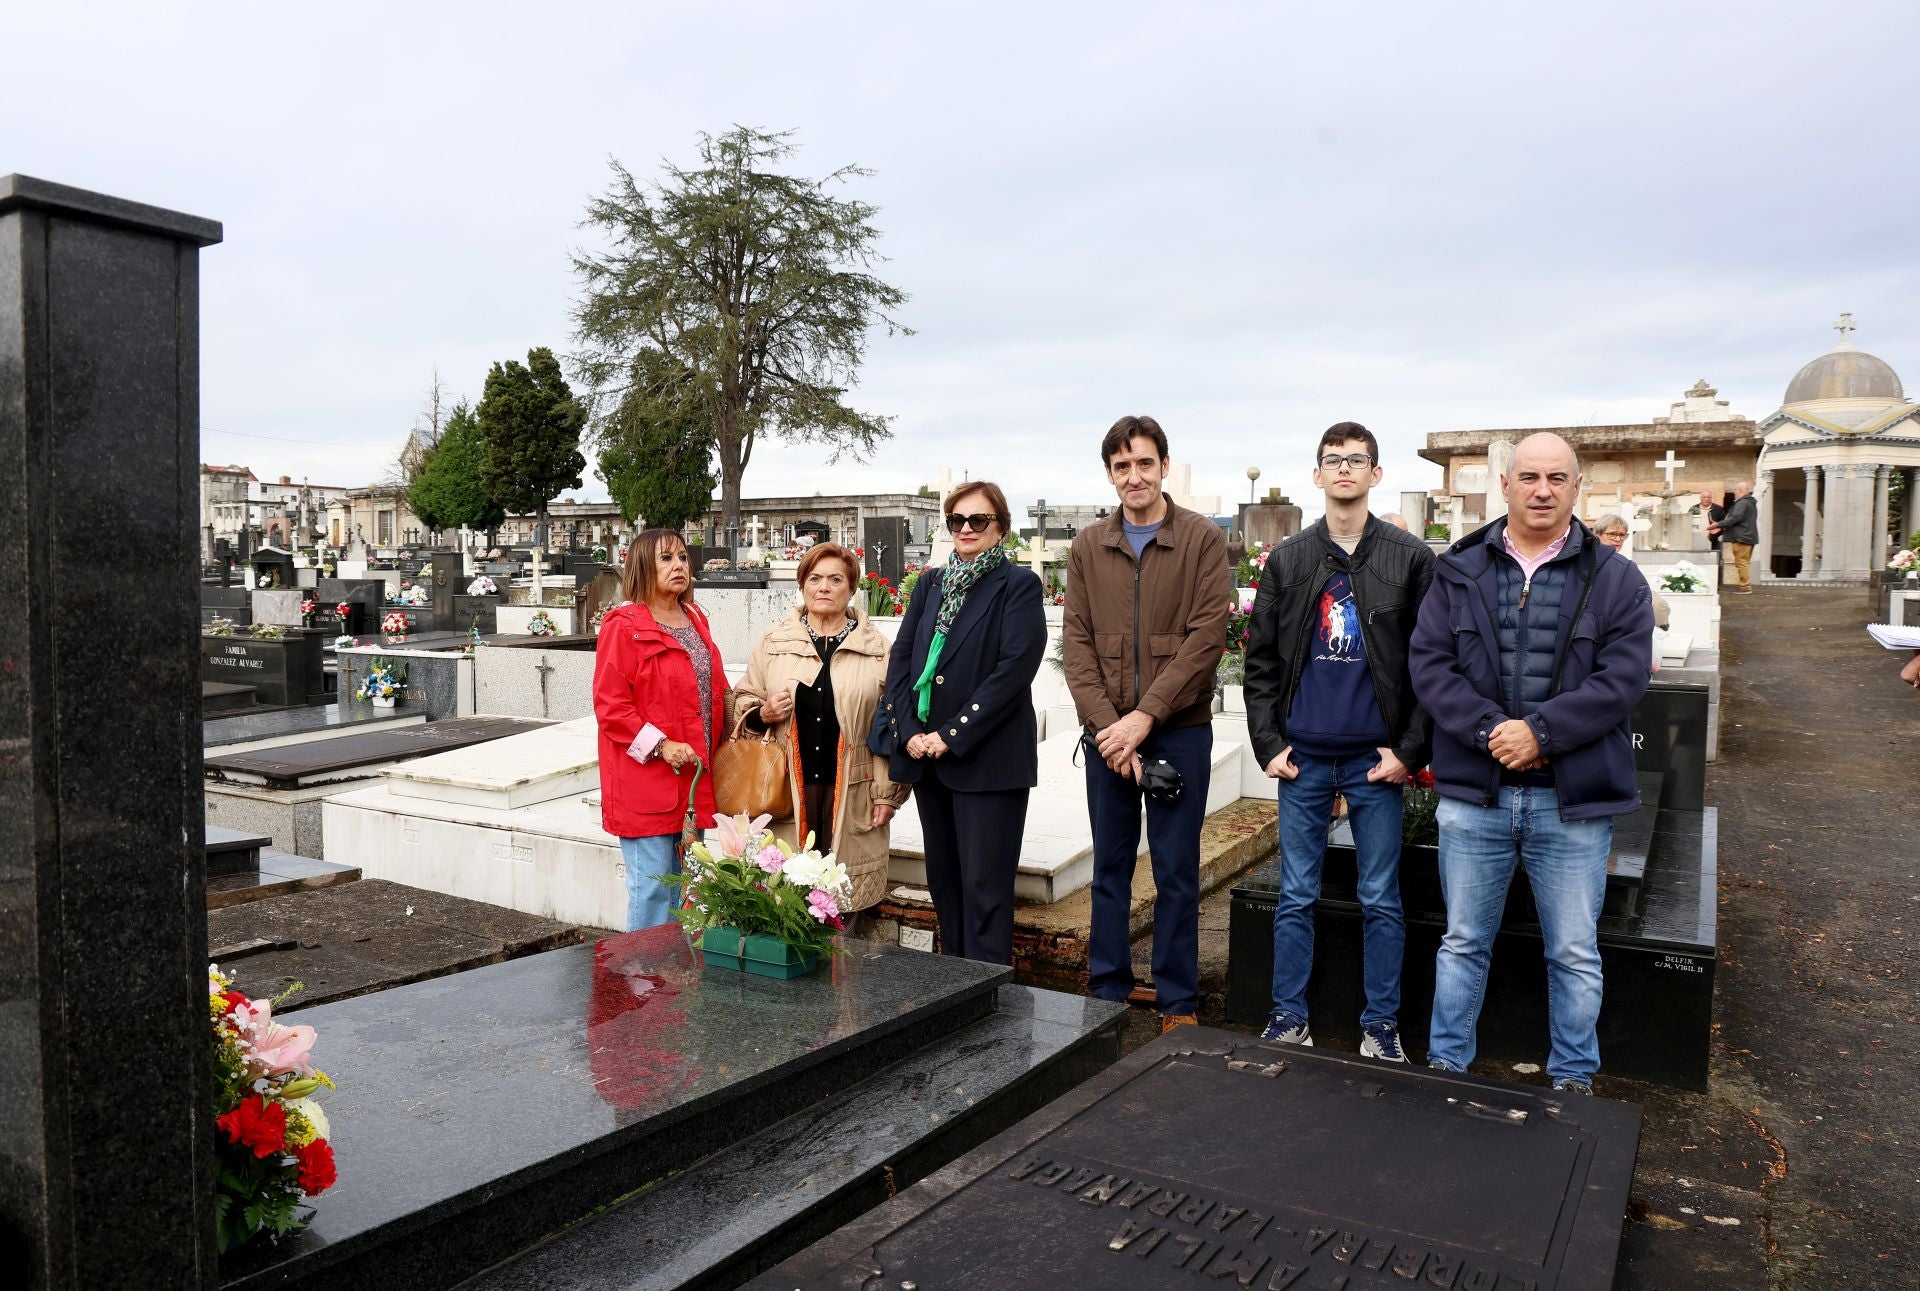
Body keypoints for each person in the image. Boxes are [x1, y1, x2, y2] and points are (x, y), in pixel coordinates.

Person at [1410, 432, 1654, 1095]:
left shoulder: (1616, 579)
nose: (1542, 490)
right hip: (1477, 796)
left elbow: (1622, 678)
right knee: (1463, 941)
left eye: (1556, 477)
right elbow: (1430, 665)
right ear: (1506, 485)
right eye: (1529, 477)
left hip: (1570, 803)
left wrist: (1541, 733)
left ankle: (1572, 1079)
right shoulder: (1459, 571)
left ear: (1577, 487)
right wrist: (1493, 731)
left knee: (1573, 951)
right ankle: (1447, 1067)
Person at [1245, 422, 1433, 1062]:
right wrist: (1269, 744)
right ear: (1317, 474)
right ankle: (1288, 1015)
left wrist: (1409, 751)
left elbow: (1430, 664)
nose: (1345, 469)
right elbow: (1261, 662)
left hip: (1373, 761)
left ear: (1376, 473)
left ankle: (1380, 1026)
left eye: (1357, 459)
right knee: (1296, 895)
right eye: (1333, 459)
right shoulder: (1291, 559)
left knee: (1381, 897)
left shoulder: (1409, 559)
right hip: (1302, 760)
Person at [1063, 415, 1230, 1033]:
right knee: (1109, 867)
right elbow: (1077, 645)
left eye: (1144, 463)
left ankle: (1177, 999)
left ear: (1163, 466)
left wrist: (1144, 717)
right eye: (1121, 466)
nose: (1134, 476)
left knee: (1176, 869)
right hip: (1107, 735)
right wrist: (1110, 728)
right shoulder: (1088, 546)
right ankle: (1107, 989)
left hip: (1177, 730)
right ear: (1110, 474)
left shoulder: (1201, 540)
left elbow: (1205, 639)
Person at [882, 482, 1046, 963]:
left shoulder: (1017, 586)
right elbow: (902, 659)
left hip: (987, 761)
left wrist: (951, 734)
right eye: (957, 520)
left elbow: (1013, 670)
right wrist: (910, 731)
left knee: (984, 890)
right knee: (946, 885)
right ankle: (954, 985)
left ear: (1001, 528)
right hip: (929, 762)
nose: (967, 528)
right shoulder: (931, 583)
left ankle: (987, 989)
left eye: (979, 520)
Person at [732, 542, 908, 917]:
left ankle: (841, 957)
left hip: (854, 789)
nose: (824, 587)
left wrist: (887, 794)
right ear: (802, 585)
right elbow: (742, 700)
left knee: (841, 902)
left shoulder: (878, 650)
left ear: (852, 588)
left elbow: (892, 727)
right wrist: (763, 713)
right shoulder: (773, 643)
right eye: (814, 578)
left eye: (835, 579)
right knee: (785, 901)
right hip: (786, 789)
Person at [592, 528, 728, 932]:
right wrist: (661, 745)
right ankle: (645, 972)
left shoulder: (695, 619)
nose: (678, 566)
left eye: (683, 557)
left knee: (687, 890)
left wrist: (753, 710)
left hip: (692, 780)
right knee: (653, 891)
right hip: (646, 782)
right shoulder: (623, 626)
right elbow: (611, 707)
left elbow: (714, 692)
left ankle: (679, 968)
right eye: (666, 559)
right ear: (642, 567)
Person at [1705, 482, 1758, 594]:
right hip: (1747, 536)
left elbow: (1735, 518)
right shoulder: (1750, 502)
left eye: (1735, 490)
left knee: (1741, 562)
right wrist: (1721, 526)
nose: (1734, 492)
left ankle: (1745, 587)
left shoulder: (1742, 503)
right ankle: (1744, 585)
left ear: (1740, 491)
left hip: (1742, 537)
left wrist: (1718, 524)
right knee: (1743, 562)